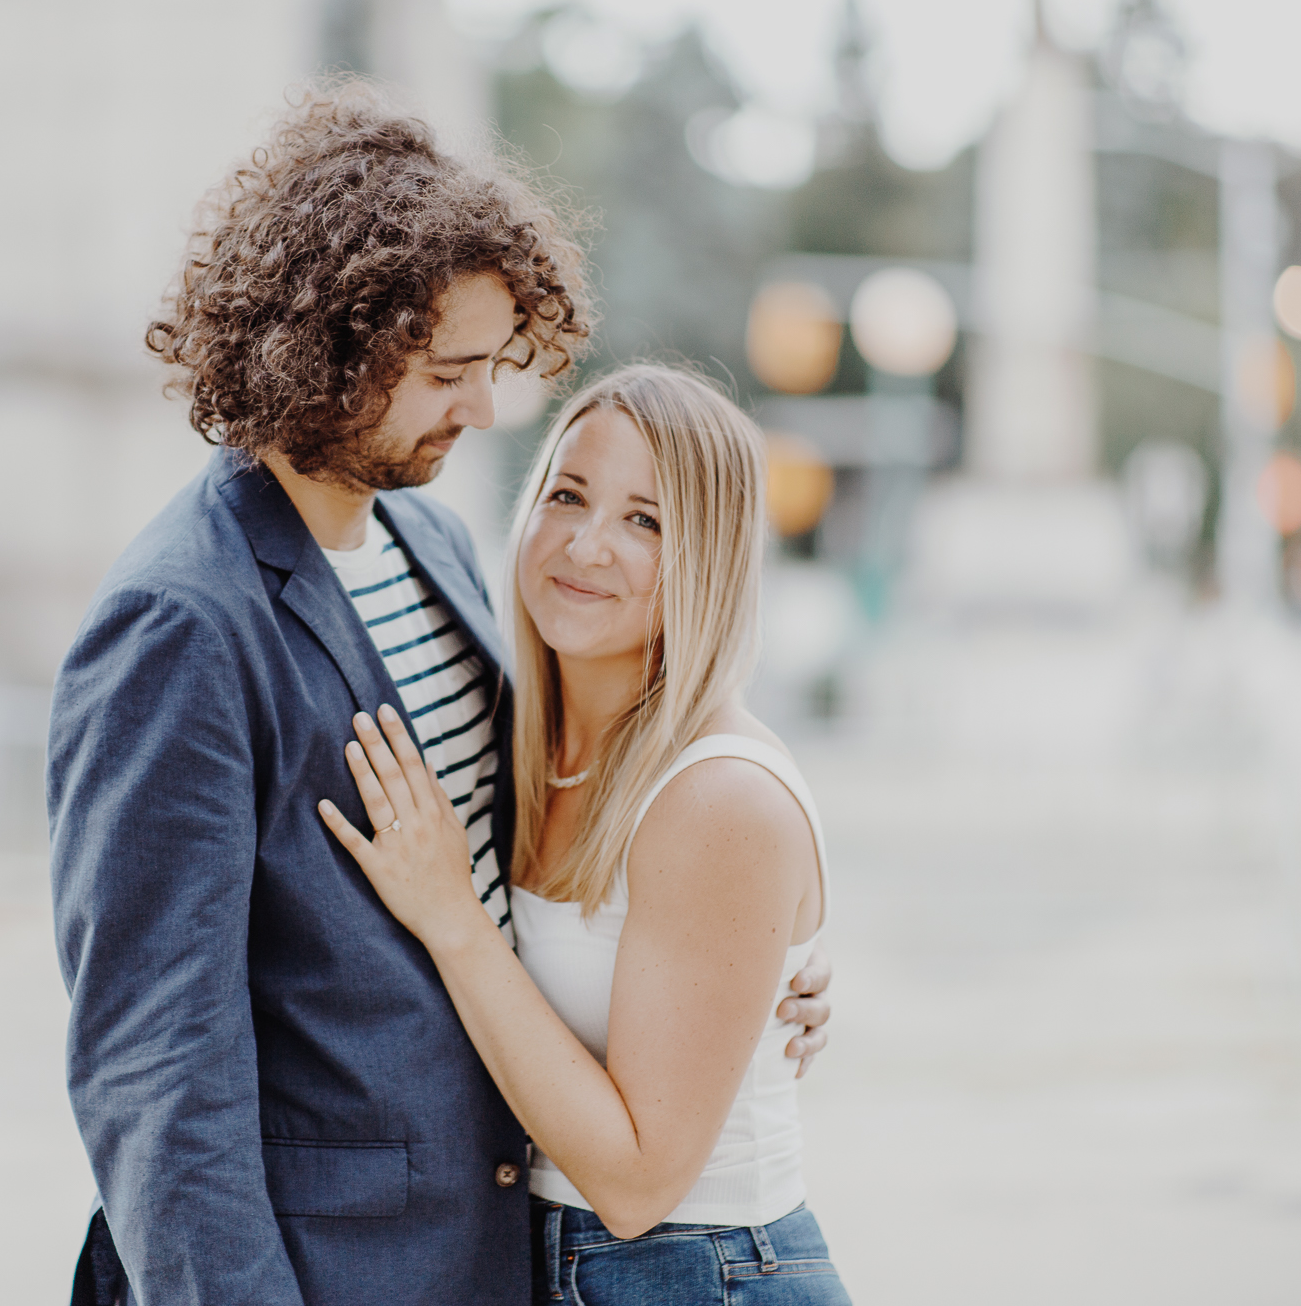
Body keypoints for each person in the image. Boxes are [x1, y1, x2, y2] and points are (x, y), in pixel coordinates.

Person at [45, 85, 835, 1306]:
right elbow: (155, 1066)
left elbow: (545, 869)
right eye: (448, 372)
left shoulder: (434, 539)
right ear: (328, 353)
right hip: (333, 1270)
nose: (478, 405)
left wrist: (726, 973)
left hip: (500, 1255)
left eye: (489, 366)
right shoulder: (182, 621)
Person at [319, 364, 852, 1305]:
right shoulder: (523, 743)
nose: (586, 544)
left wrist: (452, 916)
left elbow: (639, 1183)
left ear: (710, 559)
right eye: (567, 494)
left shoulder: (718, 795)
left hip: (694, 1269)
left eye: (645, 520)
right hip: (540, 1259)